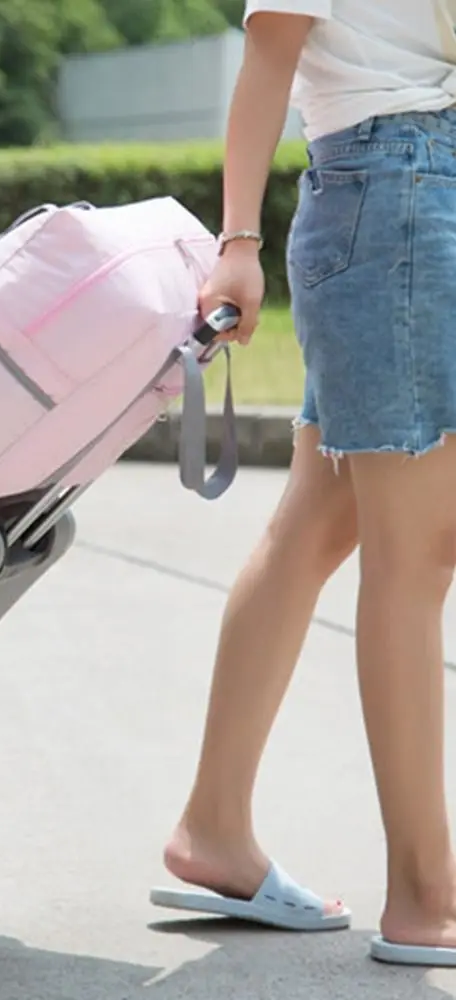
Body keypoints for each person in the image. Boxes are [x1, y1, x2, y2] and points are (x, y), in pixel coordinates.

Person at [148, 0, 456, 968]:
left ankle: (213, 825)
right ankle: (422, 897)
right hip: (391, 192)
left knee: (316, 527)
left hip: (402, 192)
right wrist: (235, 242)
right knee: (416, 557)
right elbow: (269, 47)